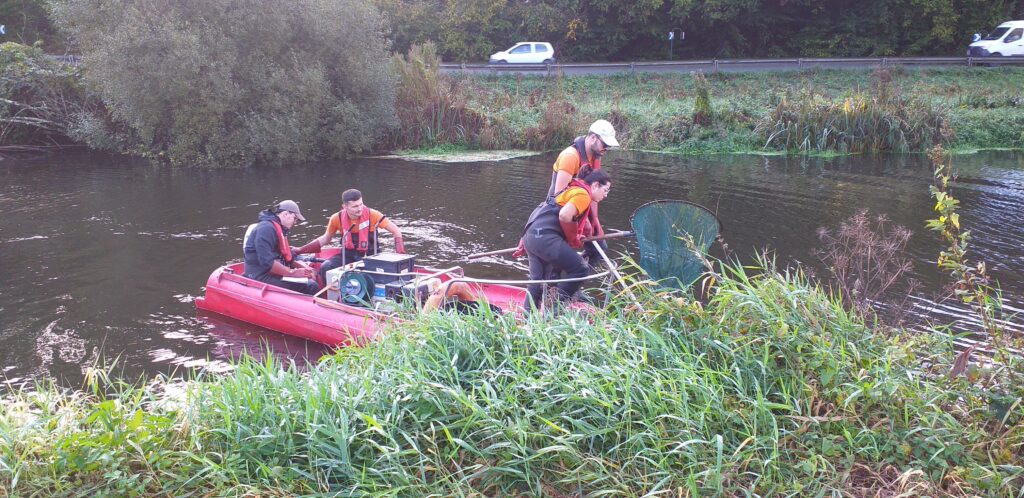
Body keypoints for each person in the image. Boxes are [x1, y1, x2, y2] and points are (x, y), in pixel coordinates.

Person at [513, 119, 619, 260]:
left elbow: (593, 192)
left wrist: (595, 220)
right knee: (553, 265)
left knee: (599, 248)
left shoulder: (595, 157)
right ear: (593, 138)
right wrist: (582, 224)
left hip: (578, 208)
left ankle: (576, 275)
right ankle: (564, 274)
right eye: (605, 145)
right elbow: (559, 197)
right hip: (557, 211)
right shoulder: (570, 157)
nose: (606, 150)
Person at [521, 169, 612, 310]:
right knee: (580, 268)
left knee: (538, 281)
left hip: (532, 236)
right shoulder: (583, 195)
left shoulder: (570, 190)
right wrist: (572, 237)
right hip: (545, 238)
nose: (606, 195)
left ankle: (527, 318)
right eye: (605, 190)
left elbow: (542, 209)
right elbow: (564, 215)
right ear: (595, 185)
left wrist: (524, 237)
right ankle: (555, 309)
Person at [293, 189, 405, 282]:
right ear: (345, 206)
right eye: (355, 206)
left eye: (361, 204)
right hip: (347, 255)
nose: (360, 208)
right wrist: (300, 250)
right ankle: (331, 295)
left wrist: (401, 256)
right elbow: (326, 239)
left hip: (371, 255)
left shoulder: (373, 215)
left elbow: (396, 231)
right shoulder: (336, 218)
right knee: (326, 267)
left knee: (375, 276)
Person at [242, 200, 319, 295]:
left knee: (313, 277)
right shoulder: (266, 229)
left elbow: (285, 257)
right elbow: (267, 262)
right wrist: (292, 273)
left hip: (269, 272)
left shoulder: (278, 229)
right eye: (295, 219)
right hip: (260, 275)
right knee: (311, 286)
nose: (295, 223)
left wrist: (304, 268)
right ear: (285, 214)